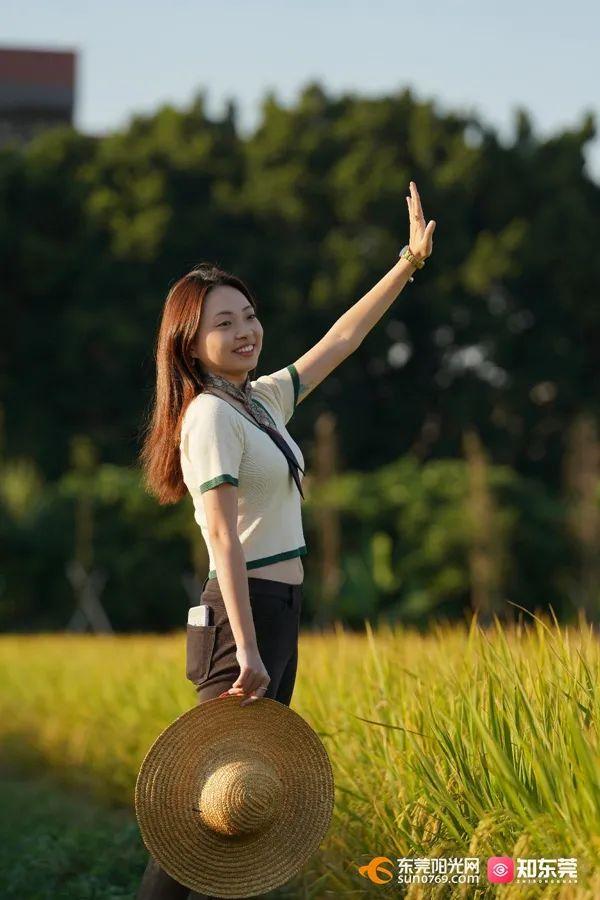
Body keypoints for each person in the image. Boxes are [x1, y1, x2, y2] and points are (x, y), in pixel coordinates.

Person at [136, 182, 435, 898]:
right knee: (204, 803)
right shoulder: (210, 417)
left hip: (274, 614)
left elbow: (342, 339)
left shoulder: (259, 401)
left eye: (249, 316)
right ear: (190, 342)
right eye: (224, 324)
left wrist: (409, 261)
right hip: (243, 617)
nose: (246, 331)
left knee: (238, 807)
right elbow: (223, 539)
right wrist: (247, 648)